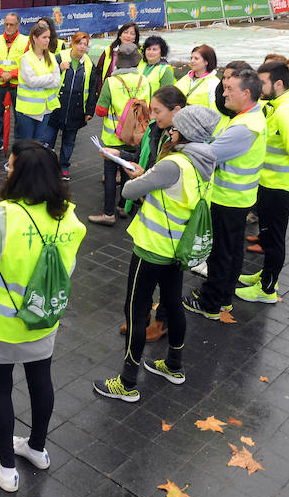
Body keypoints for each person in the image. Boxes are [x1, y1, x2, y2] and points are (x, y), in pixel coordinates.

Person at [0, 140, 86, 492]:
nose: (7, 171)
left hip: (1, 324)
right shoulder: (69, 217)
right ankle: (38, 447)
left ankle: (6, 467)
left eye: (9, 166)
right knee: (40, 379)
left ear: (20, 175)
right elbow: (65, 271)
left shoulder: (1, 216)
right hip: (44, 319)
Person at [93, 106, 219, 403]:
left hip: (152, 249)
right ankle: (173, 365)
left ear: (183, 133)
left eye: (174, 129)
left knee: (136, 310)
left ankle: (126, 382)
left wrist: (137, 175)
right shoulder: (206, 160)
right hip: (177, 249)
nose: (170, 132)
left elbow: (129, 192)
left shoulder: (174, 163)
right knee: (174, 303)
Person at [183, 69, 266, 319]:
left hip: (228, 199)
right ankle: (223, 297)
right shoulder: (247, 117)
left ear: (246, 92)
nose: (224, 92)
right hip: (237, 198)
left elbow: (210, 155)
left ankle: (211, 303)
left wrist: (183, 146)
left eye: (230, 88)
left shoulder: (245, 126)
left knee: (221, 253)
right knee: (230, 250)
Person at [109, 85, 187, 341]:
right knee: (145, 281)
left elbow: (158, 178)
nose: (152, 116)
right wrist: (121, 154)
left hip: (167, 225)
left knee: (163, 281)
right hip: (149, 208)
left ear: (177, 111)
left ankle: (156, 324)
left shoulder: (183, 146)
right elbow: (145, 159)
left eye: (157, 111)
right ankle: (140, 318)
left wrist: (143, 180)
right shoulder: (157, 131)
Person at [235, 61, 289, 304]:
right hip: (272, 183)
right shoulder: (280, 104)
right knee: (268, 236)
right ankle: (265, 275)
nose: (258, 87)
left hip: (280, 186)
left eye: (263, 83)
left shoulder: (287, 111)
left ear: (278, 84)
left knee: (275, 237)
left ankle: (268, 289)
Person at [89, 42, 151, 226]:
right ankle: (124, 205)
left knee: (110, 173)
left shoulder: (111, 82)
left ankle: (108, 213)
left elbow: (100, 110)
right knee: (129, 170)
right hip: (136, 135)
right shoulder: (144, 80)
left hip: (113, 136)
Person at [42, 32, 98, 179]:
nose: (82, 47)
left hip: (76, 110)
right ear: (72, 43)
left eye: (85, 44)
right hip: (55, 107)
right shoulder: (59, 58)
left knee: (69, 141)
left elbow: (93, 89)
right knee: (48, 140)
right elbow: (46, 76)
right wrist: (58, 69)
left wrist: (89, 111)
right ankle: (46, 166)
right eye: (79, 43)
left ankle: (64, 167)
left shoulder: (90, 65)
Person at [0, 13, 29, 155]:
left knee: (19, 116)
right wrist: (1, 74)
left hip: (17, 85)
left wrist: (11, 75)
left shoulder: (26, 41)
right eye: (6, 24)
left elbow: (27, 64)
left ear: (18, 25)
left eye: (12, 24)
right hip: (0, 84)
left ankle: (17, 144)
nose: (9, 27)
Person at [14, 23, 60, 143]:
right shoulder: (26, 59)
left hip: (45, 109)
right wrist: (50, 77)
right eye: (44, 37)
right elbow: (31, 82)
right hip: (27, 110)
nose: (47, 40)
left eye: (48, 37)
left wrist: (43, 79)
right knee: (26, 143)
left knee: (38, 143)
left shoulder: (51, 57)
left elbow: (57, 82)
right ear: (34, 38)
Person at [96, 22, 139, 92]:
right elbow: (99, 73)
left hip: (132, 92)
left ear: (135, 38)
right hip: (109, 90)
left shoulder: (139, 53)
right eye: (126, 32)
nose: (128, 36)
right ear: (120, 35)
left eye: (132, 34)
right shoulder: (109, 50)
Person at [175, 44, 220, 110]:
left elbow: (214, 110)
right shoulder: (185, 78)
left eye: (196, 58)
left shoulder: (214, 83)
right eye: (191, 58)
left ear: (206, 62)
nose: (192, 61)